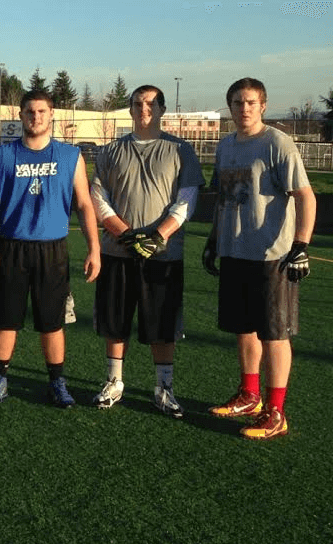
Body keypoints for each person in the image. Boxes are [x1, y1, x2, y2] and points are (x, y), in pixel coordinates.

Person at [204, 77, 315, 440]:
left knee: (274, 334)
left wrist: (300, 245)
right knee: (244, 328)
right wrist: (213, 239)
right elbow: (224, 198)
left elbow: (305, 196)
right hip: (236, 251)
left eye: (251, 102)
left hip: (272, 255)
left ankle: (276, 412)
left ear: (263, 105)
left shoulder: (277, 143)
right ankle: (249, 396)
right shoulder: (225, 146)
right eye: (237, 102)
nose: (244, 108)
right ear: (230, 106)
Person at [0, 90, 100, 409]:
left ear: (51, 115)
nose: (36, 117)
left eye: (42, 111)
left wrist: (94, 249)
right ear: (20, 116)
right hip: (11, 248)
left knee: (52, 321)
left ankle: (57, 382)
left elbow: (85, 205)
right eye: (30, 111)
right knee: (7, 320)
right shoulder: (1, 157)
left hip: (52, 250)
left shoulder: (70, 156)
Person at [88, 85, 205, 418]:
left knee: (162, 323)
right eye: (138, 103)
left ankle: (164, 389)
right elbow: (99, 198)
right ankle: (114, 382)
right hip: (117, 252)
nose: (144, 108)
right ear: (129, 110)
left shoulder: (181, 150)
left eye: (152, 103)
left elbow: (187, 199)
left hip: (163, 255)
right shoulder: (110, 151)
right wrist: (125, 235)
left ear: (163, 109)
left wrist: (158, 236)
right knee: (115, 321)